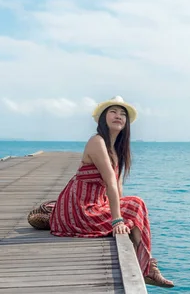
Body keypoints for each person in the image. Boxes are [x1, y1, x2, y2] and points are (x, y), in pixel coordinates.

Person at [49, 95, 174, 288]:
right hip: (79, 209)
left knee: (135, 205)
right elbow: (110, 183)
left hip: (97, 205)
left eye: (123, 114)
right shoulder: (97, 141)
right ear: (103, 118)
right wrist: (117, 220)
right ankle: (147, 268)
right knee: (136, 205)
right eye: (113, 112)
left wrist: (123, 214)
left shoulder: (117, 149)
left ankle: (147, 265)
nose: (118, 116)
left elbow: (118, 186)